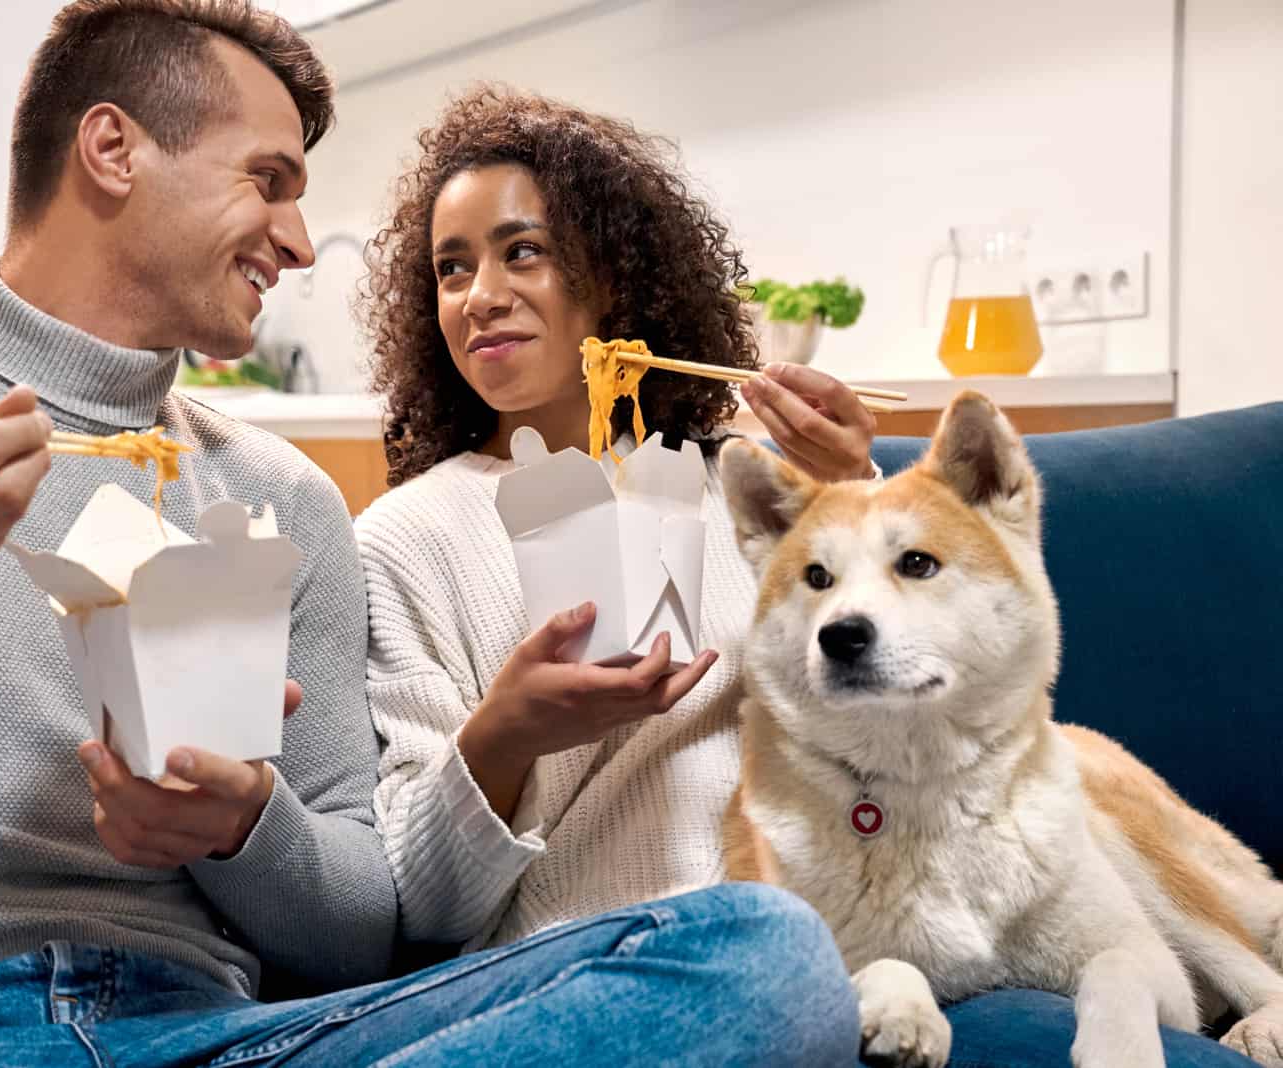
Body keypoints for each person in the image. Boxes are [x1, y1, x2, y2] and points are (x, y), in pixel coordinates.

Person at [0, 5, 860, 1067]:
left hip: (214, 1038)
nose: (299, 245)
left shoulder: (279, 498)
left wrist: (245, 827)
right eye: (269, 180)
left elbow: (360, 935)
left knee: (759, 954)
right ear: (112, 149)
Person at [355, 85, 1258, 1068]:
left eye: (519, 250)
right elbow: (416, 902)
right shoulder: (405, 539)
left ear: (610, 276)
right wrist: (508, 733)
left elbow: (936, 717)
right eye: (451, 268)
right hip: (598, 973)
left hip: (839, 943)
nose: (479, 292)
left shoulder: (742, 494)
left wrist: (852, 488)